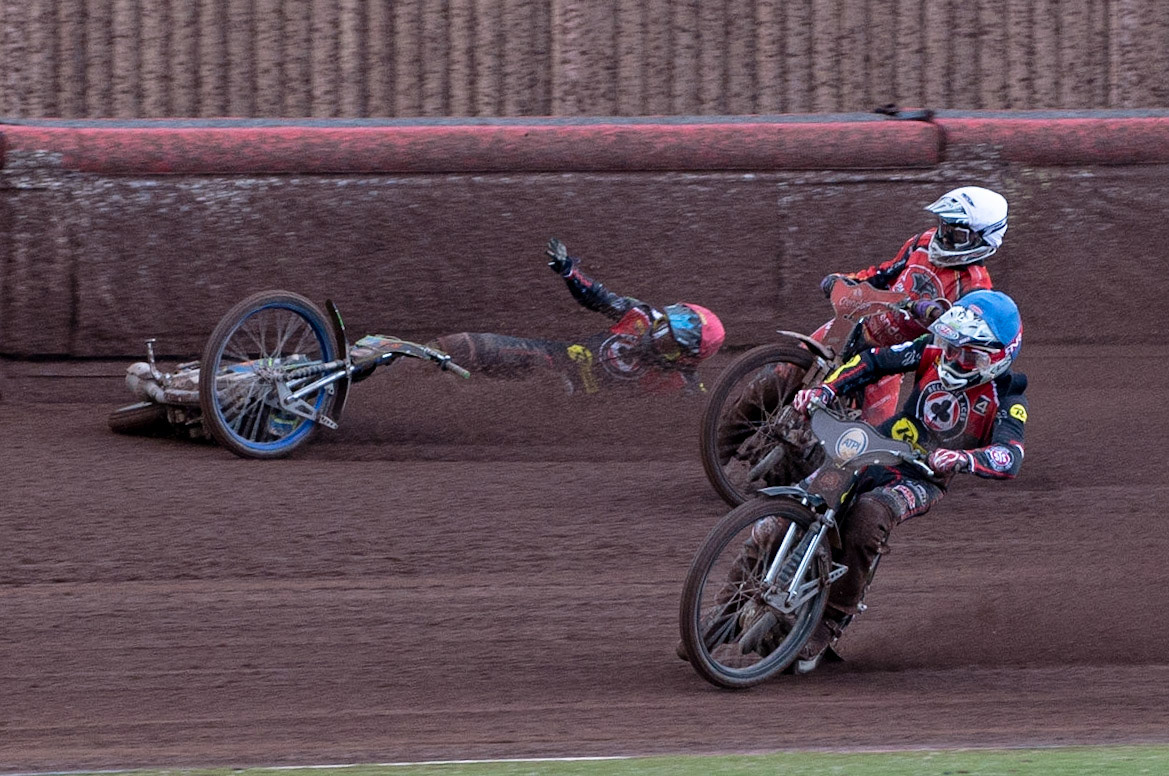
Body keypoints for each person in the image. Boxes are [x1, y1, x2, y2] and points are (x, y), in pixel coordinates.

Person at [784, 288, 1028, 673]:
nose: (954, 359)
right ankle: (729, 599)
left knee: (867, 517)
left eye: (969, 355)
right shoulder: (931, 349)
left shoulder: (1008, 395)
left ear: (999, 356)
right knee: (798, 502)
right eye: (951, 347)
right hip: (878, 445)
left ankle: (830, 621)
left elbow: (1010, 455)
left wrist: (963, 458)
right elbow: (875, 361)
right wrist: (825, 388)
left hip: (922, 476)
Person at [815, 185, 1008, 424]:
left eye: (956, 234)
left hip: (889, 358)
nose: (944, 236)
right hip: (856, 325)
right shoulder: (924, 242)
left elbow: (956, 343)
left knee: (872, 434)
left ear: (984, 239)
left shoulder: (975, 288)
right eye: (944, 226)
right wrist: (846, 280)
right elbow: (883, 272)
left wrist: (937, 318)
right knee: (782, 371)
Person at [430, 238, 725, 394]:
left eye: (669, 344)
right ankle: (414, 360)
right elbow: (598, 297)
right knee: (467, 347)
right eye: (662, 328)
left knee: (505, 398)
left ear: (687, 360)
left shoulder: (683, 389)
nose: (657, 338)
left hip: (573, 405)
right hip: (557, 358)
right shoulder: (642, 316)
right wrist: (568, 271)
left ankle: (445, 404)